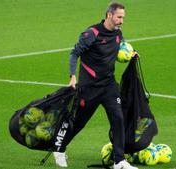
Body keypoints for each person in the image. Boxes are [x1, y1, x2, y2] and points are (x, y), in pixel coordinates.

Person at [53, 2, 138, 169]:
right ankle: (59, 149)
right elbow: (74, 54)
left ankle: (119, 161)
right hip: (89, 88)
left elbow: (122, 46)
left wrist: (132, 54)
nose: (122, 21)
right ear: (109, 15)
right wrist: (72, 76)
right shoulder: (92, 33)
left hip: (109, 86)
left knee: (118, 118)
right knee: (78, 122)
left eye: (123, 17)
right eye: (119, 17)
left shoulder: (118, 33)